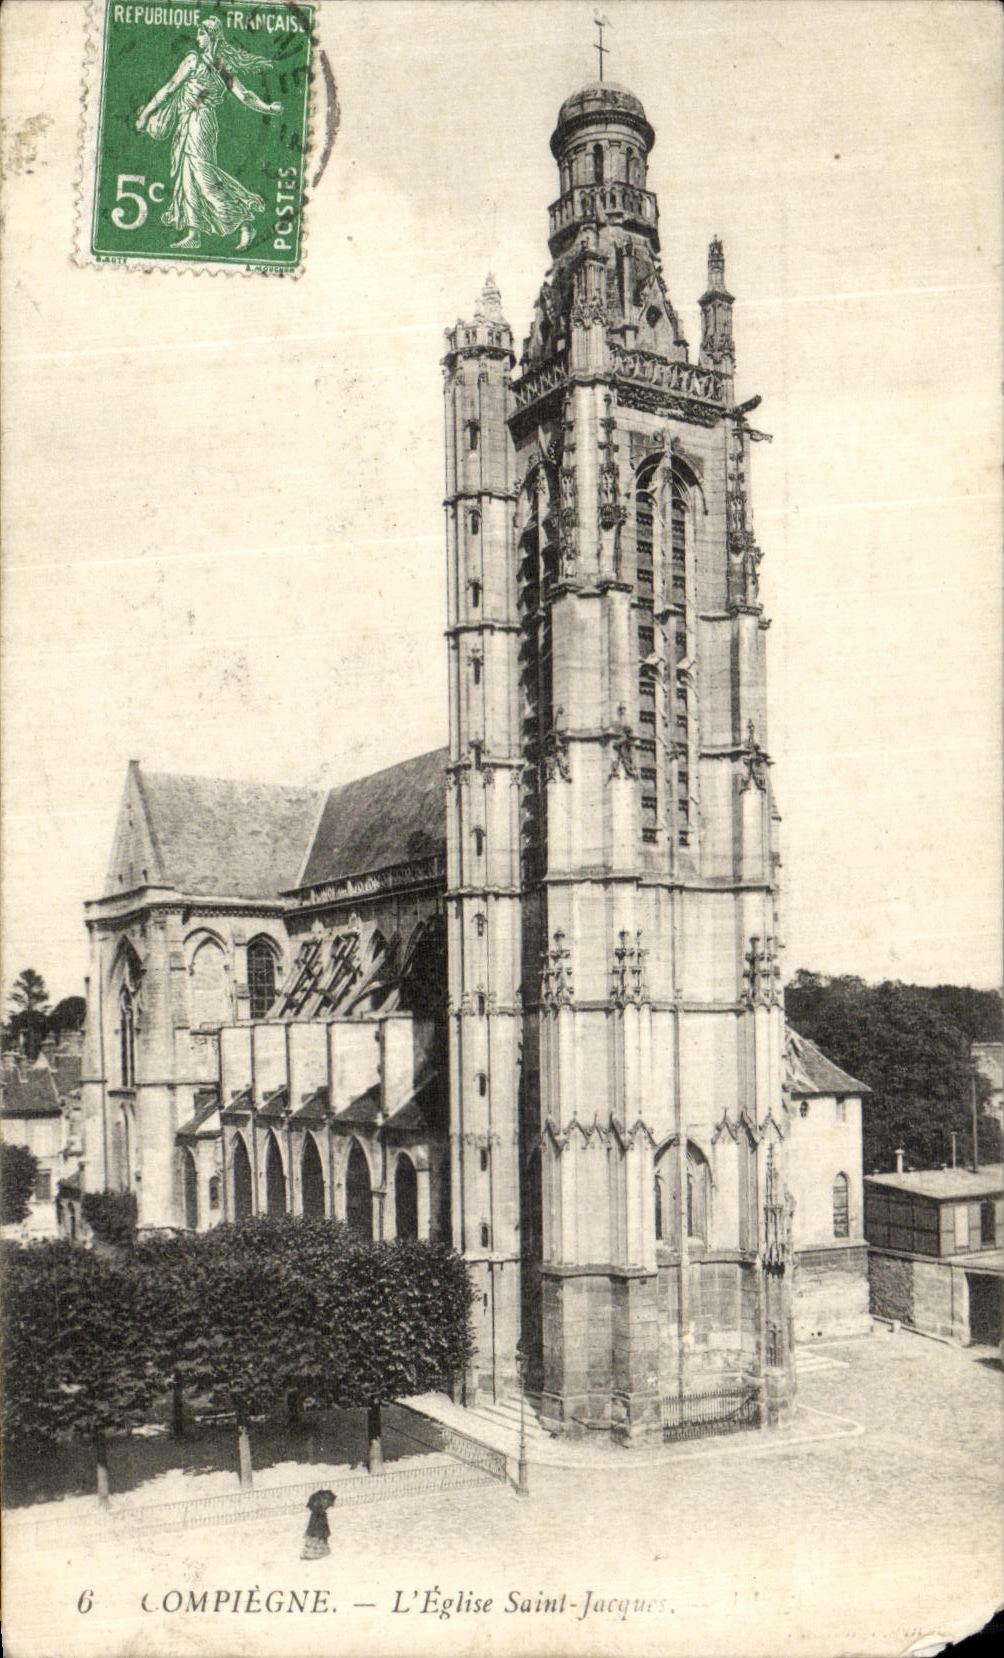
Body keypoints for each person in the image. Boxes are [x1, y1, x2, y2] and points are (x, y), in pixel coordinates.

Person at [134, 17, 281, 252]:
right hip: (188, 122)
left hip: (201, 124)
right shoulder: (203, 62)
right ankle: (194, 233)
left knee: (204, 177)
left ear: (212, 36)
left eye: (201, 33)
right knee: (187, 177)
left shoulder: (209, 64)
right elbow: (169, 88)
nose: (197, 38)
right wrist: (147, 113)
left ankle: (244, 223)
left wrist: (267, 108)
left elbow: (244, 95)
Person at [301, 1488, 335, 1560]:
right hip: (317, 1530)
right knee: (317, 1540)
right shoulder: (320, 1513)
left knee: (314, 1540)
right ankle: (314, 1554)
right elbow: (321, 1524)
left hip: (315, 1530)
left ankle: (311, 1554)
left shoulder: (317, 1511)